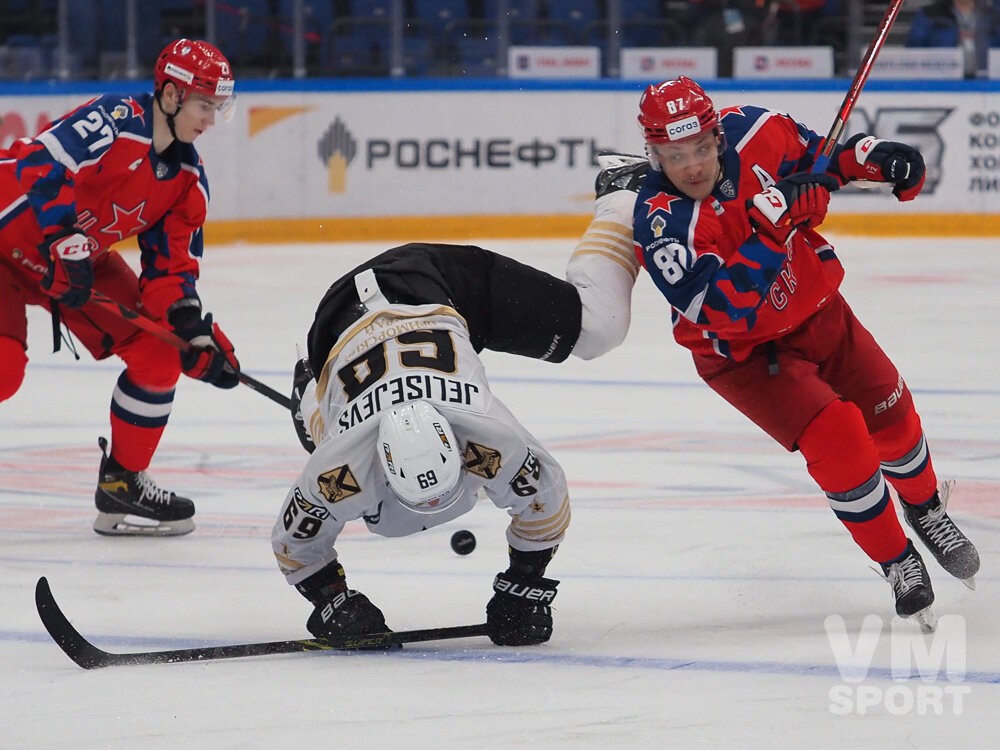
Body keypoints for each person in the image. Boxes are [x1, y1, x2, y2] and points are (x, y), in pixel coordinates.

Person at [595, 77, 980, 628]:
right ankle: (897, 559)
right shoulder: (660, 221)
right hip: (744, 358)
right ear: (652, 153)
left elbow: (823, 158)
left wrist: (878, 160)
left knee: (891, 415)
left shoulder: (756, 128)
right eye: (675, 155)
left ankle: (926, 509)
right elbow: (723, 309)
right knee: (839, 438)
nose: (693, 166)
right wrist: (771, 232)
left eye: (701, 147)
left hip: (817, 308)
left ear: (718, 136)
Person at [272, 244, 585, 647]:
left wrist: (523, 584)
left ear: (458, 446)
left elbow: (547, 500)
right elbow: (292, 543)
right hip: (341, 323)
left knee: (594, 330)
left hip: (433, 282)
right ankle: (311, 400)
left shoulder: (490, 436)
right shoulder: (346, 465)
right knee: (335, 438)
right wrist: (333, 598)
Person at [0, 39, 241, 537]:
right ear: (171, 95)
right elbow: (39, 167)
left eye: (219, 108)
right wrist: (65, 240)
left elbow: (170, 270)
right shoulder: (115, 118)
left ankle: (122, 483)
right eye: (204, 105)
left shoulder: (187, 181)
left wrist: (192, 330)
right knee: (4, 370)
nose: (211, 119)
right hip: (8, 237)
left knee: (159, 352)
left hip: (71, 262)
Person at [906, 0, 1000, 78]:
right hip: (940, 83)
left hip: (986, 85)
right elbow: (913, 54)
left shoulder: (994, 17)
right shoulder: (929, 15)